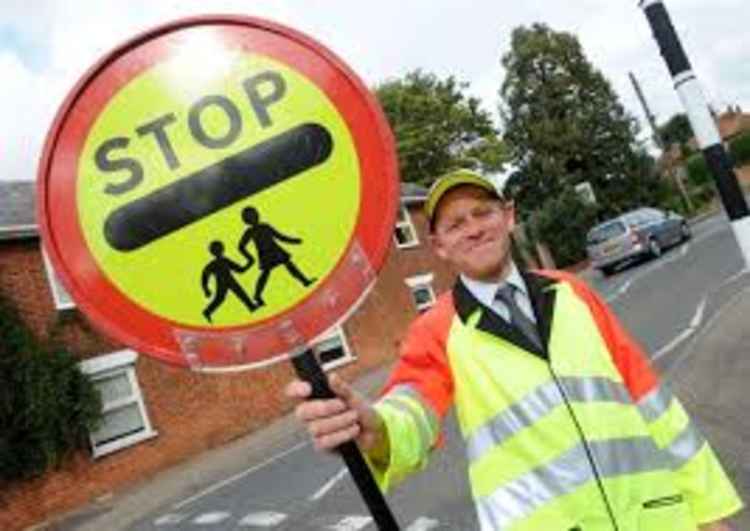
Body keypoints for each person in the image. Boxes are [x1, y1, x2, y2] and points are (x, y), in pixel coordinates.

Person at [285, 169, 743, 530]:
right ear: (439, 246)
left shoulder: (573, 294)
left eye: (482, 213)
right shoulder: (436, 329)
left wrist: (708, 510)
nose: (473, 229)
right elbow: (412, 411)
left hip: (658, 520)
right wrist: (376, 426)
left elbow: (655, 408)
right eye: (455, 224)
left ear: (509, 216)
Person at [238, 206, 316, 307]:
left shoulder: (265, 226)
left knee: (289, 265)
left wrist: (293, 241)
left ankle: (304, 281)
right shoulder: (249, 232)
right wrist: (249, 257)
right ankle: (257, 295)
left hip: (275, 250)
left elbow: (279, 236)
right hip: (265, 254)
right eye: (251, 216)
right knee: (265, 274)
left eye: (255, 214)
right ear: (246, 220)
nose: (255, 216)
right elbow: (241, 246)